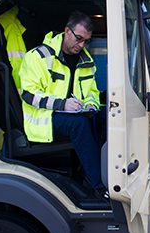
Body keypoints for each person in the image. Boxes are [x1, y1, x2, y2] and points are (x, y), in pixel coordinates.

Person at [18, 11, 107, 199]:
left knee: (108, 116)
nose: (82, 45)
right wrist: (62, 104)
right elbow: (28, 95)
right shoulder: (37, 56)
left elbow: (92, 92)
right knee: (79, 124)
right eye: (79, 38)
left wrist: (90, 106)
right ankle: (99, 186)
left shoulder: (87, 61)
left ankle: (94, 170)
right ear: (67, 31)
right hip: (42, 117)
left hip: (73, 112)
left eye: (86, 41)